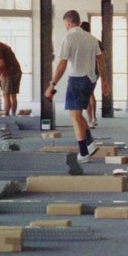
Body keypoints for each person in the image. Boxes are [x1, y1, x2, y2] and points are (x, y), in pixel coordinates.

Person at [45, 10, 110, 165]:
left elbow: (62, 64)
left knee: (74, 116)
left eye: (65, 24)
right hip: (91, 79)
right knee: (79, 114)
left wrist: (52, 84)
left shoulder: (69, 38)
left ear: (68, 22)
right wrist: (105, 82)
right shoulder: (92, 39)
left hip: (77, 79)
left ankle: (83, 153)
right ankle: (90, 143)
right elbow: (101, 62)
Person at [80, 21, 104, 128]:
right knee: (91, 94)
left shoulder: (80, 42)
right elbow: (104, 56)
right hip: (95, 71)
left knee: (86, 95)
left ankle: (90, 119)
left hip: (83, 71)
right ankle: (94, 118)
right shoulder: (96, 41)